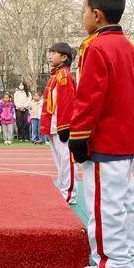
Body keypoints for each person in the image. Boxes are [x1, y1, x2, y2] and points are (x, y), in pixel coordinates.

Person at [68, 0, 134, 268]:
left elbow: (89, 98)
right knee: (125, 208)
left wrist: (78, 137)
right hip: (125, 140)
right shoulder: (133, 49)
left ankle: (111, 267)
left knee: (104, 209)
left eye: (84, 11)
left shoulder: (95, 47)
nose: (83, 16)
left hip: (104, 141)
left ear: (97, 15)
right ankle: (130, 264)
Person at [40, 42, 77, 205]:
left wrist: (65, 126)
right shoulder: (55, 75)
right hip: (53, 125)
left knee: (67, 160)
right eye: (50, 52)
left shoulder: (64, 76)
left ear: (64, 57)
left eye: (53, 53)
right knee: (60, 160)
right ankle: (62, 188)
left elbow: (67, 103)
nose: (50, 56)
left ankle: (69, 192)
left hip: (61, 125)